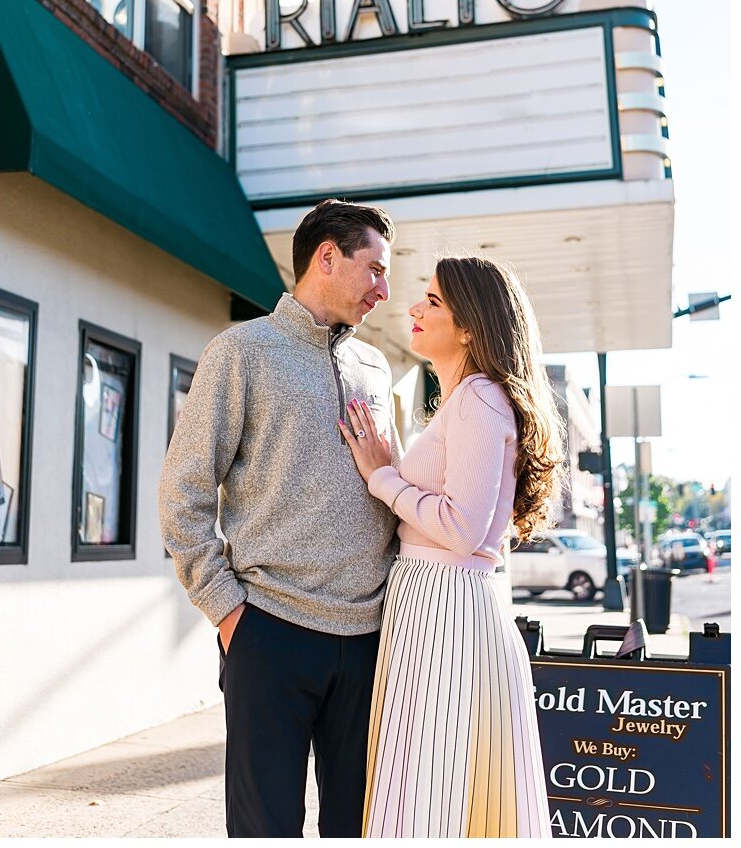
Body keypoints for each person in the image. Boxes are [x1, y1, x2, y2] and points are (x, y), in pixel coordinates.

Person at [158, 198, 400, 837]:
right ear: (328, 257)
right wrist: (230, 612)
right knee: (267, 829)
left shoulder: (375, 368)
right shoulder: (242, 352)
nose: (385, 288)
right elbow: (182, 493)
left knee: (359, 827)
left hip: (370, 639)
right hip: (272, 632)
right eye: (374, 269)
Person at [340, 256, 561, 837]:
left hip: (447, 609)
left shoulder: (478, 399)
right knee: (440, 789)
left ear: (470, 326)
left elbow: (463, 529)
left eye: (433, 301)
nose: (413, 308)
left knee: (435, 793)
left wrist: (381, 477)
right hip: (438, 605)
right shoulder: (468, 400)